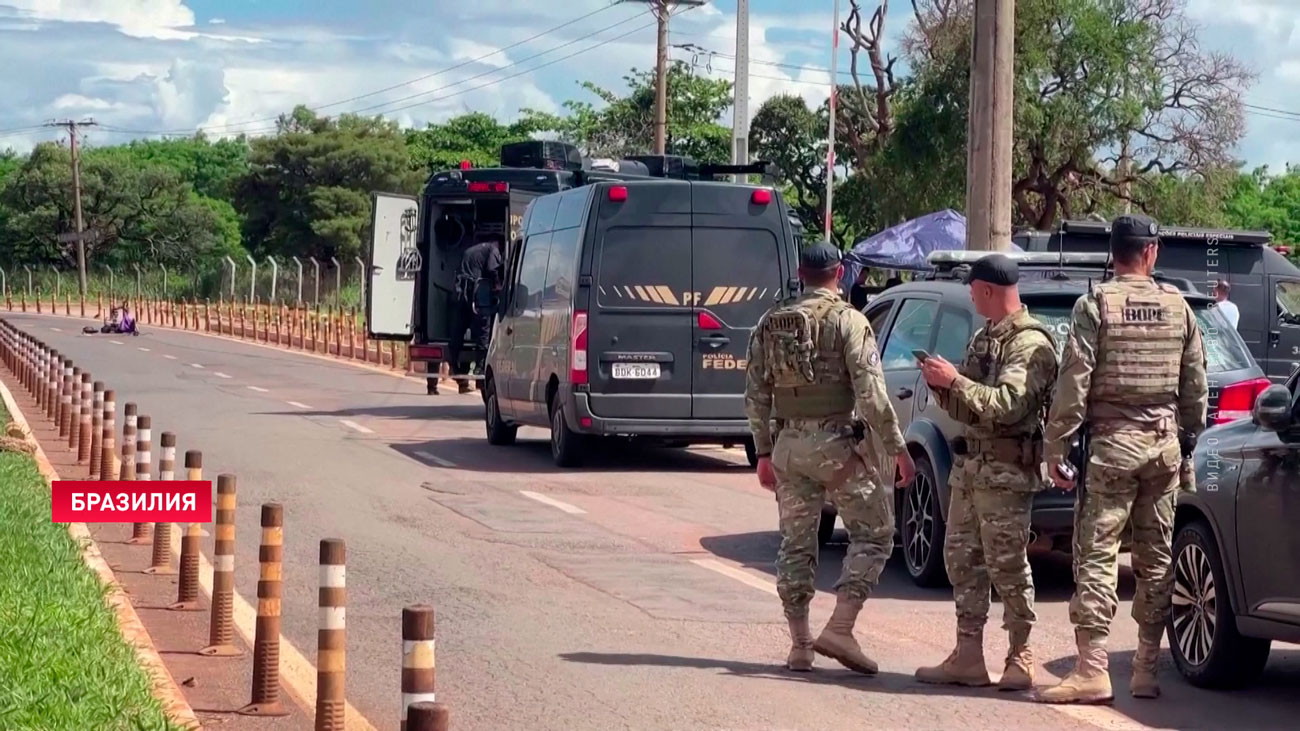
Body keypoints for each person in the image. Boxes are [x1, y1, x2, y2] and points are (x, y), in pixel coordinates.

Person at [1037, 214, 1207, 704]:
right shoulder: (1180, 308)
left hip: (1112, 447)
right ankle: (1146, 670)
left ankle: (1092, 669)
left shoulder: (1095, 306)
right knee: (1155, 561)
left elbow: (1074, 384)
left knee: (1096, 555)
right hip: (1163, 446)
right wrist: (1187, 435)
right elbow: (1195, 386)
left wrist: (1056, 447)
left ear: (1113, 254)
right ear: (1151, 253)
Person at [744, 240, 916, 674]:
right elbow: (872, 395)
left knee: (796, 544)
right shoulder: (849, 321)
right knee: (876, 531)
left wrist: (763, 451)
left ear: (800, 273)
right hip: (836, 444)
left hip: (787, 448)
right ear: (840, 274)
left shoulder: (770, 322)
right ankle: (840, 626)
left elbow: (755, 394)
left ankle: (800, 644)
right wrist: (898, 450)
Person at [912, 254, 1059, 691]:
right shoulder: (985, 336)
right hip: (970, 467)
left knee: (1008, 565)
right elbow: (970, 407)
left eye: (974, 288)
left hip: (1007, 472)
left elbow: (1008, 405)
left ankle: (1021, 655)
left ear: (989, 290)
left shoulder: (1030, 343)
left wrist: (955, 381)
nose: (971, 295)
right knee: (961, 560)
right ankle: (969, 655)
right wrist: (943, 388)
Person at [446, 234, 504, 393]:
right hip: (476, 293)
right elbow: (493, 269)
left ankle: (454, 366)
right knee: (483, 330)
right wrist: (498, 285)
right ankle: (480, 369)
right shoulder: (493, 249)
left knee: (457, 331)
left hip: (459, 293)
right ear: (497, 242)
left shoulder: (470, 250)